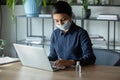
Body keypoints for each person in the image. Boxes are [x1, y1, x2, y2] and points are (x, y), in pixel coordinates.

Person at [48, 1, 96, 68]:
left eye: (63, 19)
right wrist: (44, 60)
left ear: (70, 16)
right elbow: (52, 56)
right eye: (56, 20)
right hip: (61, 71)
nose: (60, 23)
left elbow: (90, 58)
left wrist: (71, 62)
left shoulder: (81, 33)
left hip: (78, 71)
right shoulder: (55, 34)